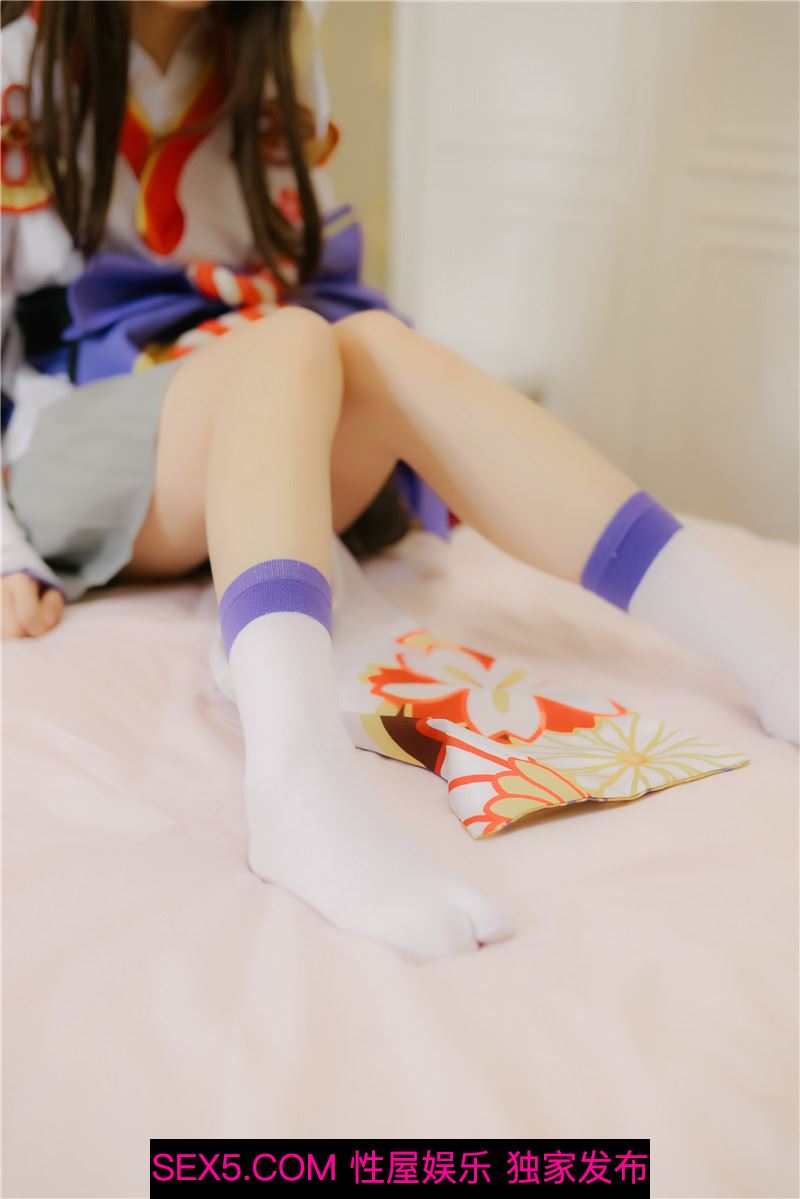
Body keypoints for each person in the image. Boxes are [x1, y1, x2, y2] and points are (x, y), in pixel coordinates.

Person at [2, 0, 796, 963]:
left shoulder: (268, 49)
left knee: (371, 342)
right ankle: (296, 780)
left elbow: (312, 274)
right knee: (289, 340)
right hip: (75, 438)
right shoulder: (16, 64)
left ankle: (763, 649)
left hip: (251, 405)